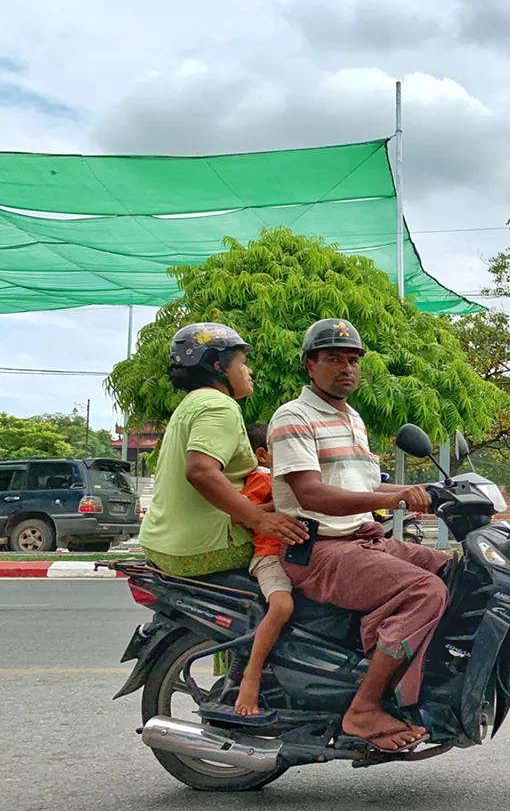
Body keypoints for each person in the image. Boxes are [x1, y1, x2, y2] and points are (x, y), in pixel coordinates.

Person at [269, 319, 451, 753]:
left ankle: (418, 684)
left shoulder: (351, 417)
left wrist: (433, 492)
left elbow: (367, 486)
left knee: (453, 569)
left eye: (353, 360)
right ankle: (364, 708)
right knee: (425, 590)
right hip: (319, 550)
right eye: (334, 359)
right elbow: (311, 494)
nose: (346, 368)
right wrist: (398, 498)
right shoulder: (294, 417)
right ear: (310, 365)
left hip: (361, 540)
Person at [139, 323, 307, 579]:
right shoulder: (219, 405)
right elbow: (200, 470)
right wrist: (259, 519)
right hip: (206, 547)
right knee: (311, 558)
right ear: (218, 366)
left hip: (162, 543)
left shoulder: (191, 403)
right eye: (243, 363)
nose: (249, 371)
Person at [233, 423, 295, 716]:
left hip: (294, 557)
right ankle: (251, 676)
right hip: (269, 556)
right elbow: (240, 516)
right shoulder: (262, 477)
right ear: (262, 455)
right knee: (282, 605)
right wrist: (282, 505)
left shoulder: (287, 478)